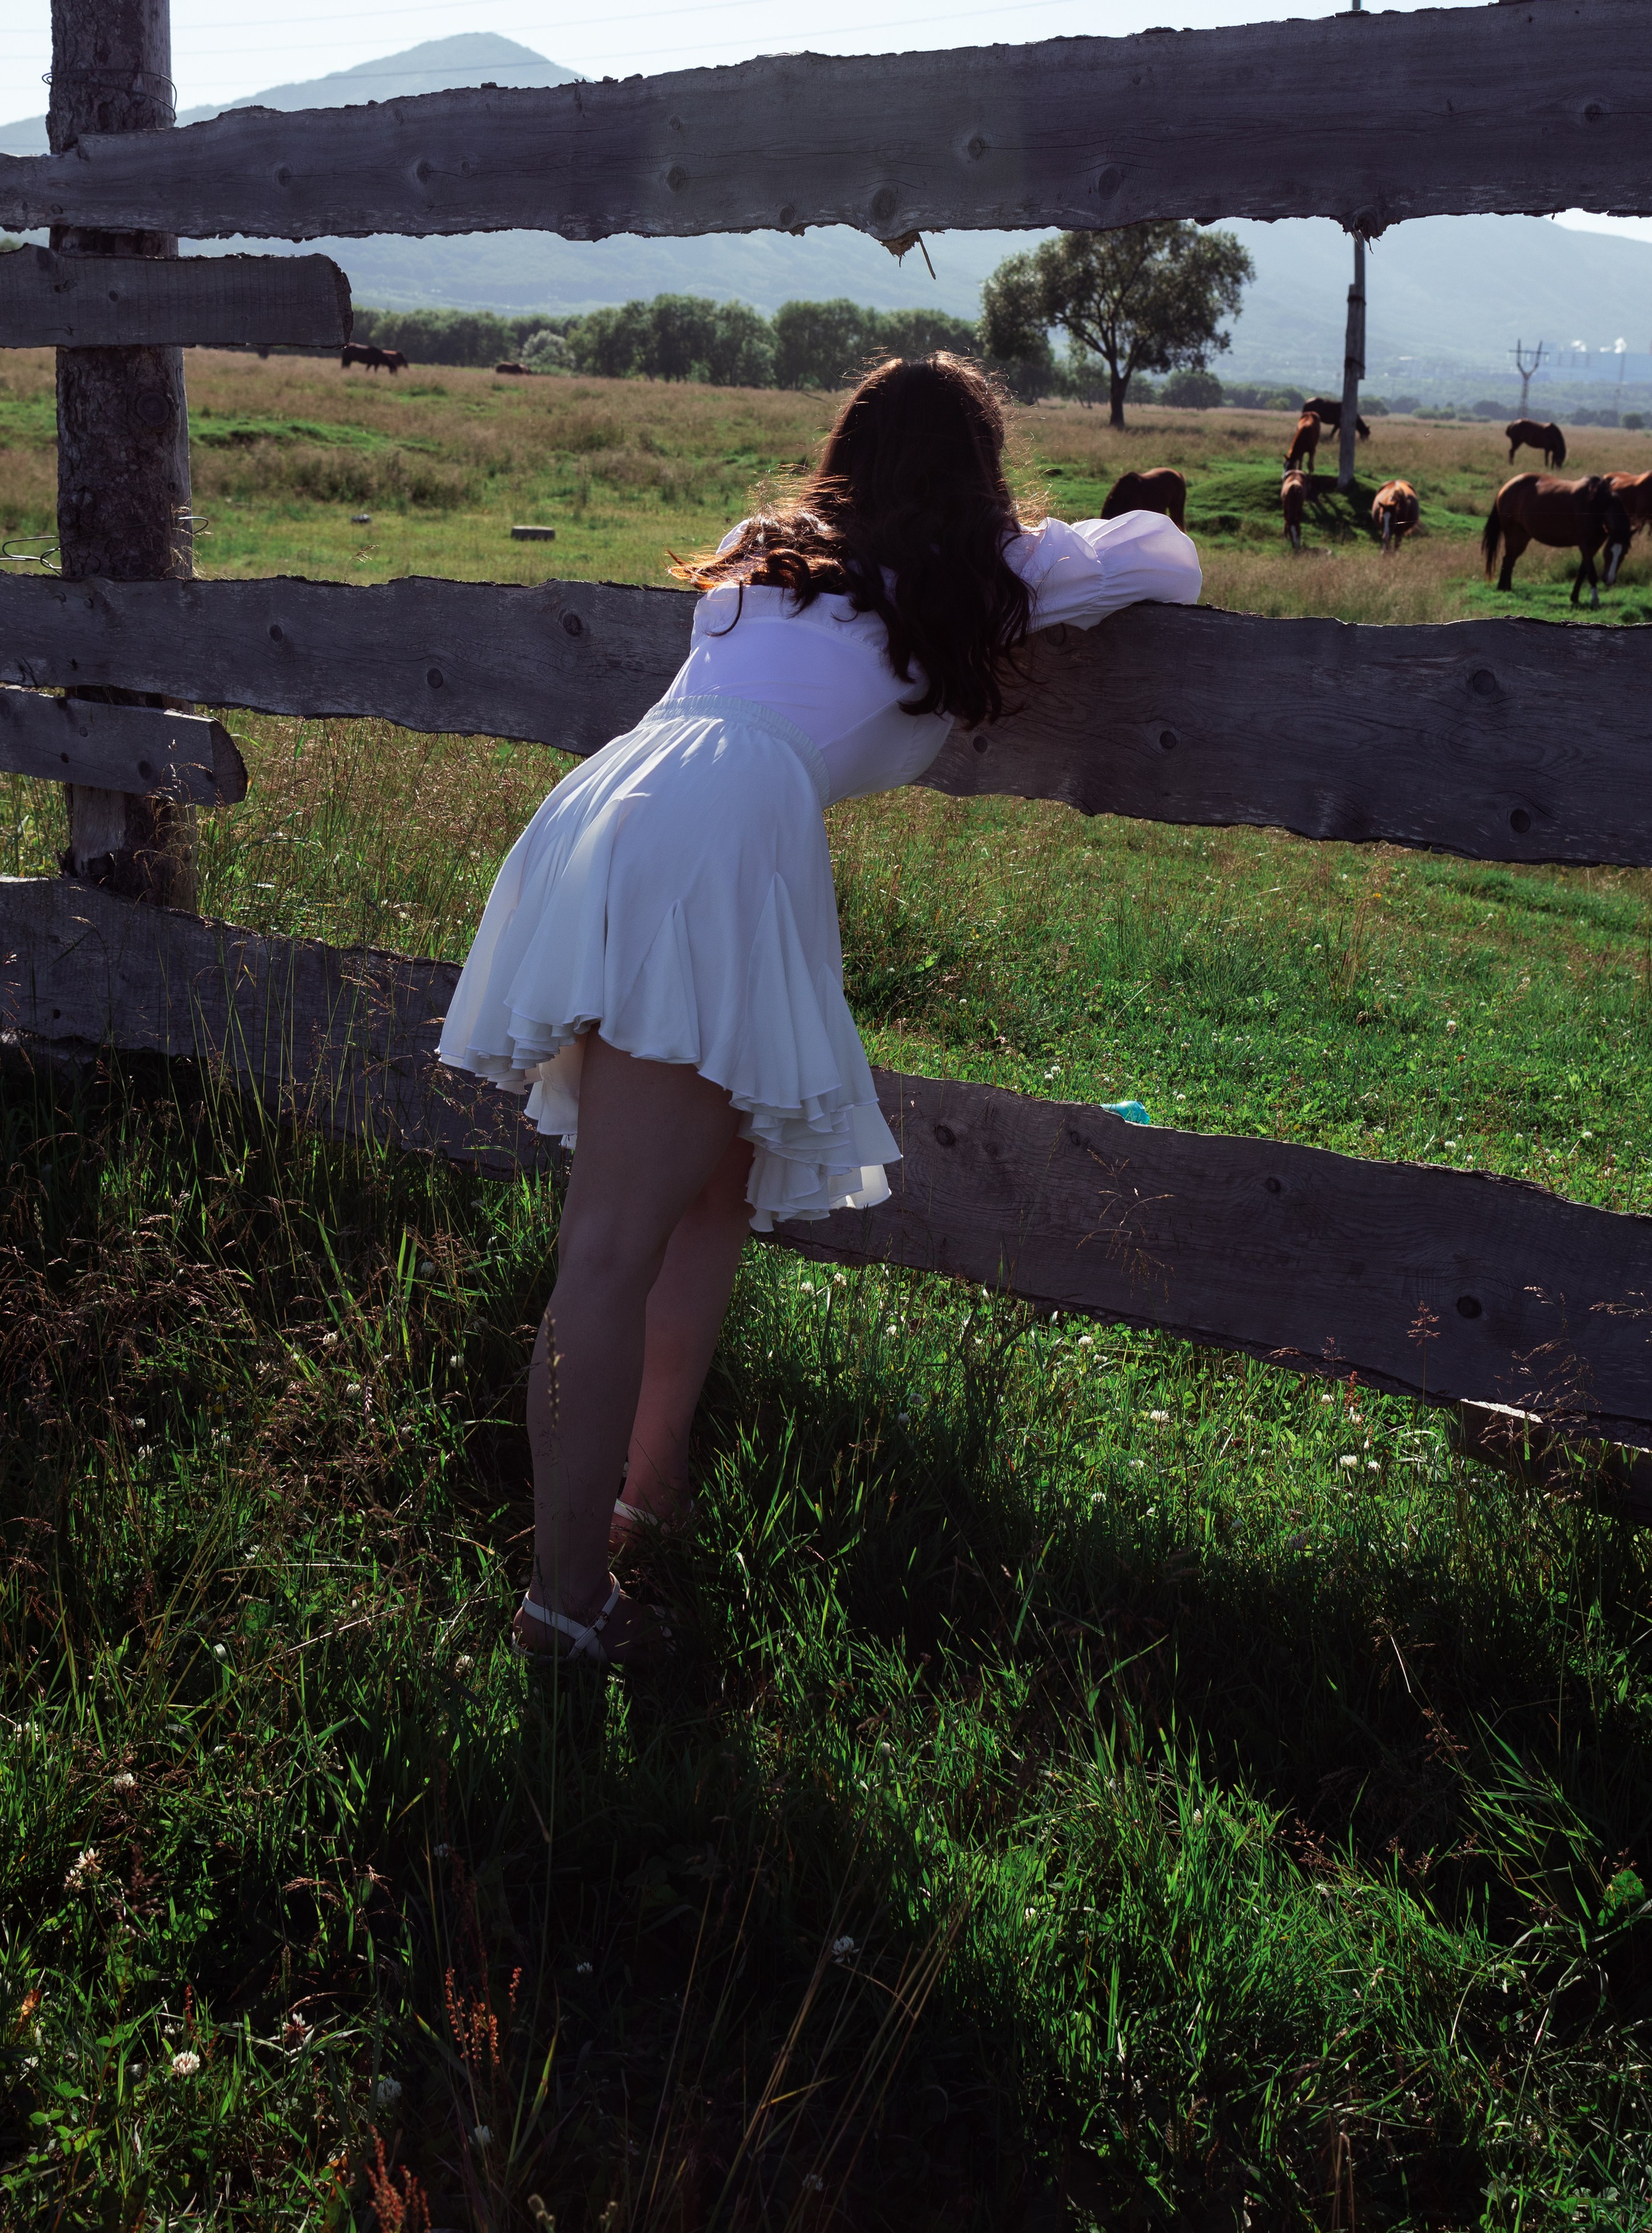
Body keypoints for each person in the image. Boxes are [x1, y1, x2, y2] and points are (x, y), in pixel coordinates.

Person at [439, 354, 1200, 1669]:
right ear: (980, 471)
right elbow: (1169, 557)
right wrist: (1029, 545)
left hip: (624, 800)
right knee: (610, 1243)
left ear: (848, 451)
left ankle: (647, 1496)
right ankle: (565, 1607)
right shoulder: (996, 574)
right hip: (716, 834)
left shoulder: (766, 547)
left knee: (710, 1198)